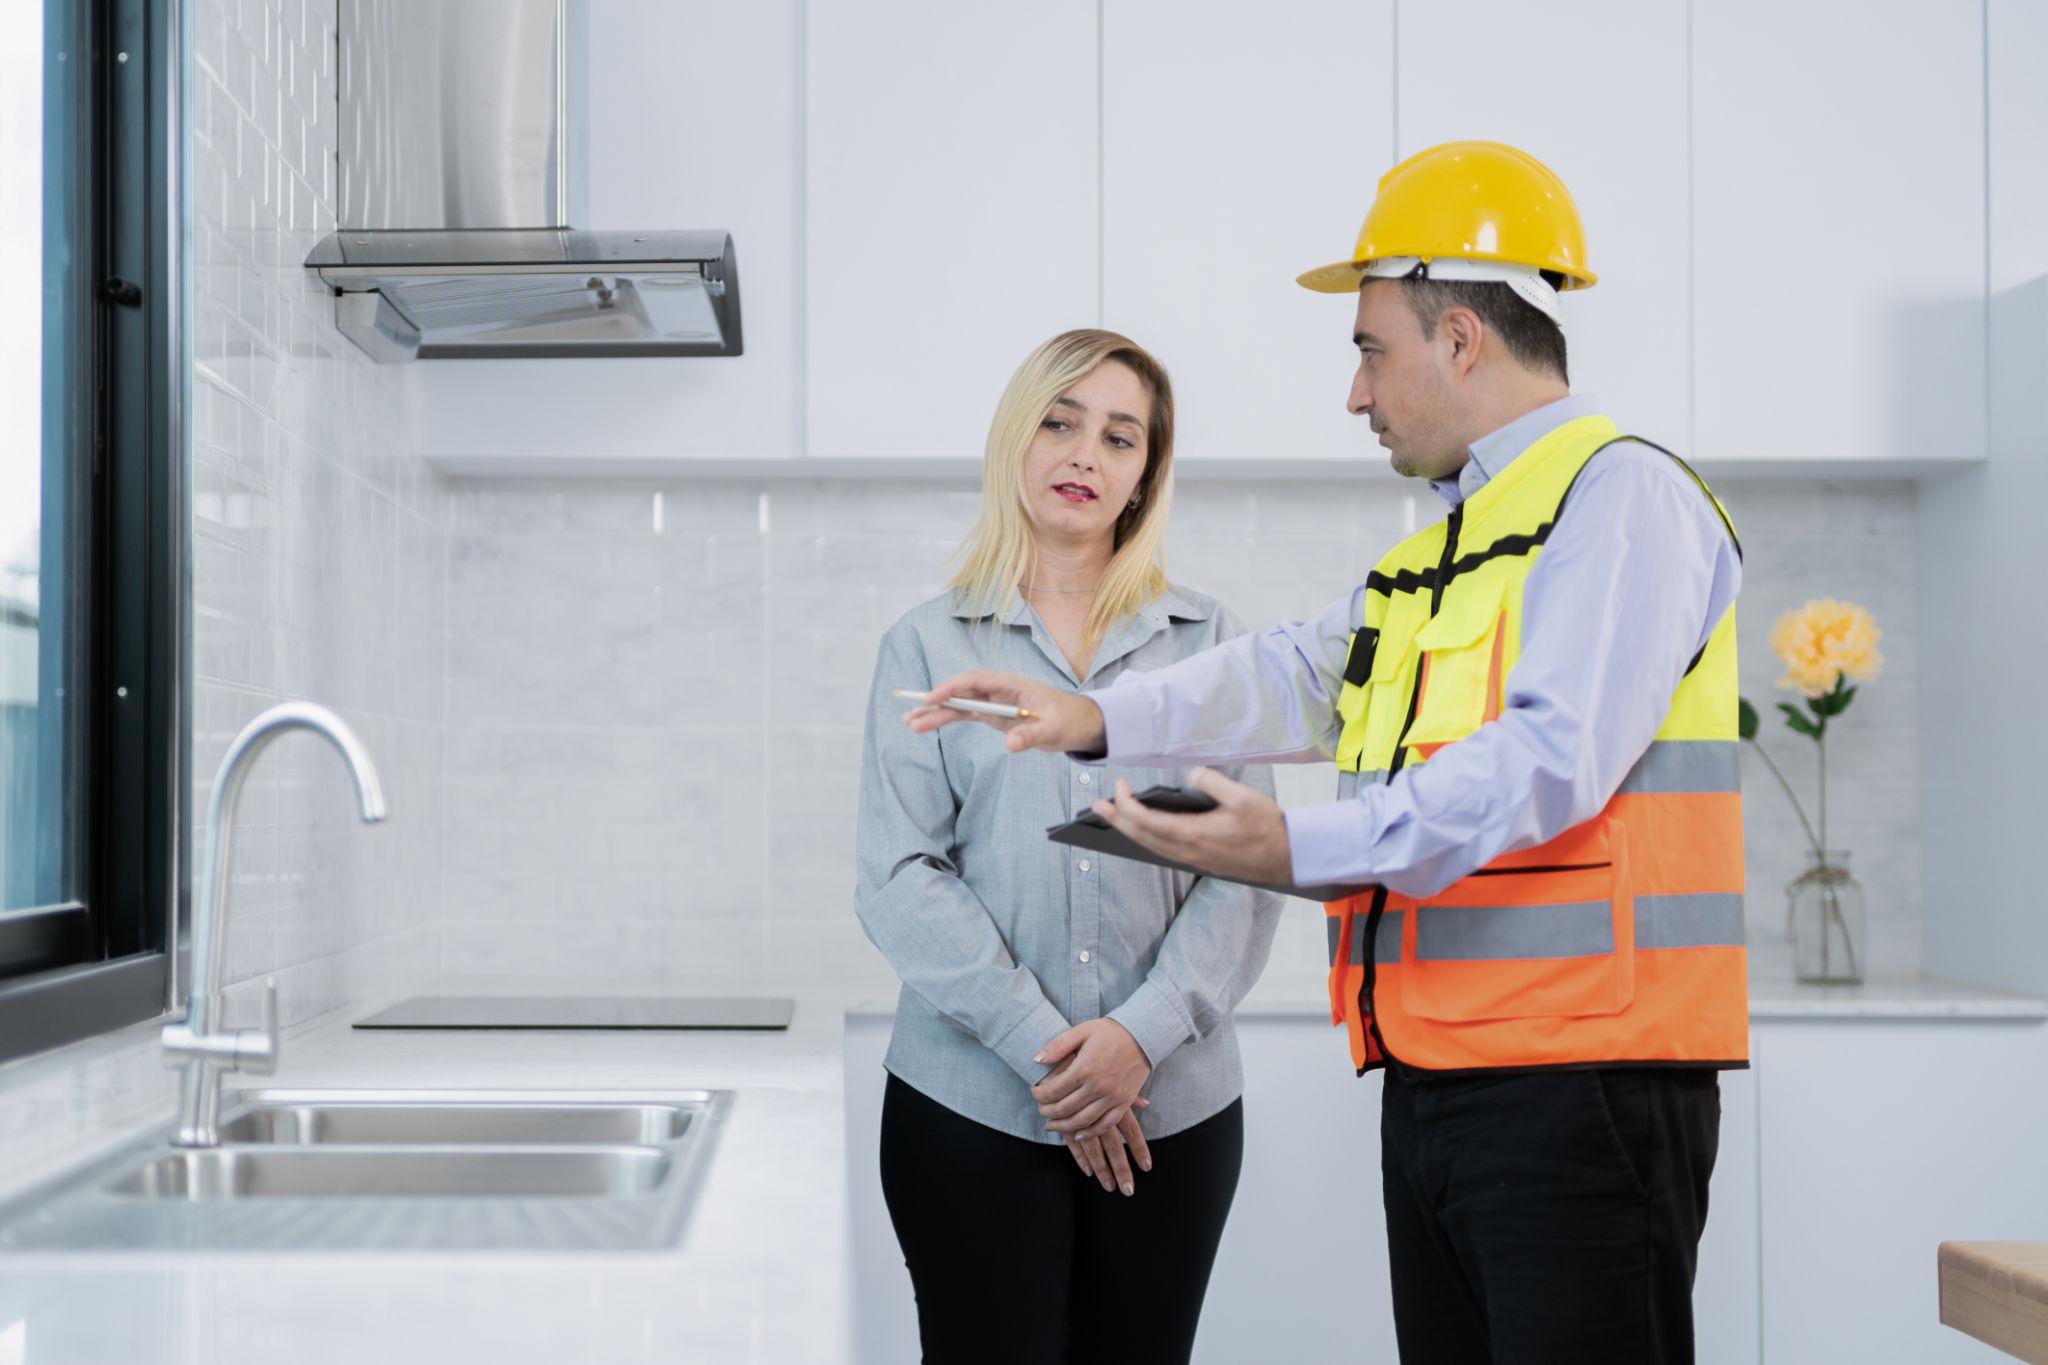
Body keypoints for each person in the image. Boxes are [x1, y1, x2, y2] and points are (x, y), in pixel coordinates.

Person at [910, 143, 1748, 1364]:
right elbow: (1300, 670)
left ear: (1457, 337)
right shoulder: (1449, 545)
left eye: (1368, 350)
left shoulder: (1619, 500)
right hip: (1443, 1080)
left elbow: (1545, 763)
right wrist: (1088, 718)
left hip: (1581, 1085)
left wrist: (1297, 845)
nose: (1356, 394)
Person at [856, 328, 1284, 1364]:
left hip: (1169, 1113)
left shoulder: (1207, 641)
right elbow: (899, 877)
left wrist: (1136, 1036)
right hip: (968, 1110)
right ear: (1018, 438)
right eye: (1059, 421)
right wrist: (1053, 1060)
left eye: (1120, 437)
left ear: (1144, 475)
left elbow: (1242, 865)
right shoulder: (926, 644)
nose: (1084, 453)